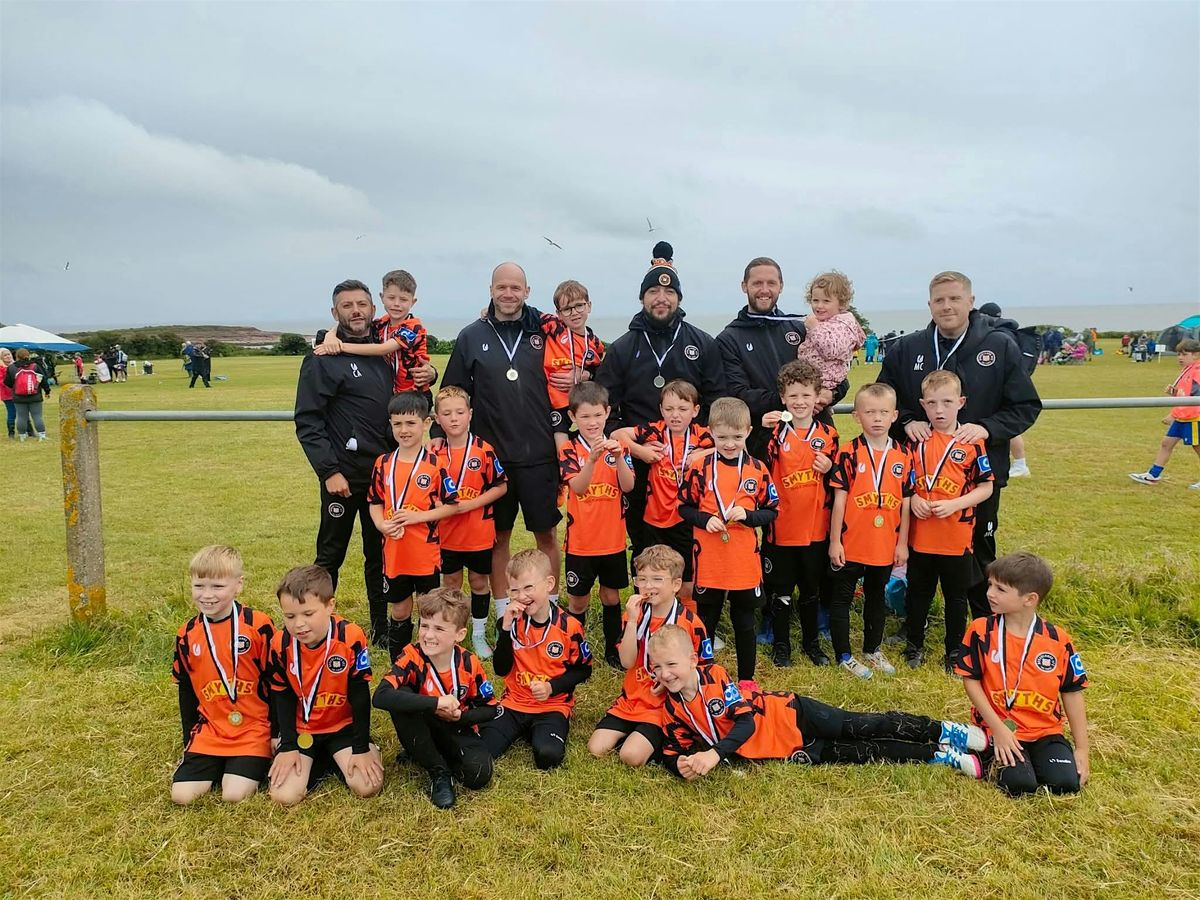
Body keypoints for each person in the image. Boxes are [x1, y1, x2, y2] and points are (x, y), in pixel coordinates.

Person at [877, 271, 1041, 621]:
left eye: (954, 298)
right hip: (918, 480)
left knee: (978, 551)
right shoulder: (907, 348)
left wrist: (985, 428)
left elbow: (1025, 406)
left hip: (977, 477)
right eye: (939, 300)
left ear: (970, 301)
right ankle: (913, 626)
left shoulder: (999, 346)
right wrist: (907, 420)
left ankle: (985, 623)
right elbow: (884, 399)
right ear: (929, 305)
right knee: (918, 553)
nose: (947, 306)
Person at [649, 625, 985, 780]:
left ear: (694, 659)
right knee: (866, 754)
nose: (665, 674)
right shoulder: (672, 708)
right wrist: (678, 766)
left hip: (796, 715)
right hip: (790, 749)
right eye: (657, 667)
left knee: (864, 725)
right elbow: (671, 751)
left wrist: (713, 754)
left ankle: (944, 730)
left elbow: (746, 722)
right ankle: (940, 755)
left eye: (672, 664)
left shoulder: (715, 676)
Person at [441, 262, 565, 630]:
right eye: (502, 287)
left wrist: (581, 374)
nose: (508, 294)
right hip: (491, 463)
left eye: (516, 288)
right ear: (491, 290)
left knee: (546, 534)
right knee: (498, 538)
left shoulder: (545, 329)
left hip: (540, 455)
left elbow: (581, 346)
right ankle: (502, 613)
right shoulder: (470, 335)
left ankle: (551, 609)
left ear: (527, 291)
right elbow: (454, 393)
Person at [597, 242, 724, 570]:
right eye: (652, 291)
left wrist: (697, 444)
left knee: (692, 534)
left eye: (668, 292)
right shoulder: (623, 348)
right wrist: (635, 448)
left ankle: (689, 604)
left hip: (691, 461)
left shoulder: (702, 343)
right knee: (643, 538)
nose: (661, 298)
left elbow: (717, 401)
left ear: (679, 298)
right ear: (642, 298)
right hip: (640, 461)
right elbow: (604, 409)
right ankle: (648, 602)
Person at [295, 281, 397, 650]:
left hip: (382, 478)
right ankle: (314, 626)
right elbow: (308, 421)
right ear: (334, 312)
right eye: (347, 305)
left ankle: (383, 630)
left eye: (362, 304)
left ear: (373, 308)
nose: (356, 311)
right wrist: (329, 471)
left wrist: (427, 378)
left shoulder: (385, 353)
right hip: (342, 477)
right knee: (330, 554)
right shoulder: (324, 357)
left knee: (380, 556)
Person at [954, 552, 1090, 796]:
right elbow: (970, 680)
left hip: (1045, 731)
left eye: (1001, 589)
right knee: (1019, 785)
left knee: (1066, 785)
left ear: (1030, 599)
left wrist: (1082, 750)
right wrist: (998, 729)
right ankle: (976, 749)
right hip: (996, 728)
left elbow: (1072, 692)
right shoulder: (981, 631)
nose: (989, 594)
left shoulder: (1058, 640)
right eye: (990, 585)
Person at [678, 397, 778, 688]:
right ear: (710, 432)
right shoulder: (700, 467)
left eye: (737, 436)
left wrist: (748, 515)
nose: (730, 443)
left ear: (748, 431)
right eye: (722, 437)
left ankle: (746, 678)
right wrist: (703, 519)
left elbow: (772, 510)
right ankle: (705, 673)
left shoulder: (757, 469)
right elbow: (683, 506)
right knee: (706, 618)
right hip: (709, 559)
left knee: (744, 620)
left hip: (742, 561)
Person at [267, 565, 383, 805]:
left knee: (367, 786)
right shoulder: (280, 643)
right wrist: (286, 744)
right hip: (303, 730)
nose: (299, 624)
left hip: (341, 727)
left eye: (308, 614)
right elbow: (282, 695)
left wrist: (360, 748)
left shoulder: (351, 637)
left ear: (331, 606)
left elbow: (360, 697)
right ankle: (321, 759)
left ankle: (347, 753)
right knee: (284, 796)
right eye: (290, 616)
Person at [372, 588, 498, 809]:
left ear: (459, 634)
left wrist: (460, 716)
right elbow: (380, 696)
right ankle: (438, 772)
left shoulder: (469, 663)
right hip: (423, 723)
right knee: (402, 697)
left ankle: (424, 752)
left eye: (439, 628)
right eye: (424, 625)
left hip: (458, 727)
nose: (428, 635)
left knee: (478, 775)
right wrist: (435, 703)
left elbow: (489, 709)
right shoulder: (412, 655)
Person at [587, 545, 711, 768]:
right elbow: (626, 662)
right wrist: (633, 621)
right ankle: (640, 736)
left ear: (675, 584)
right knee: (595, 748)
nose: (648, 586)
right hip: (633, 698)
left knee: (630, 757)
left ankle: (670, 736)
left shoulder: (690, 623)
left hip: (665, 705)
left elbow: (704, 670)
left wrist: (668, 682)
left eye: (656, 579)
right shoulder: (634, 615)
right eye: (642, 579)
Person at [170, 545, 276, 805]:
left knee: (234, 794)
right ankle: (215, 762)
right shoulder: (187, 634)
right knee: (182, 796)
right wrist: (189, 741)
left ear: (238, 585)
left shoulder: (258, 625)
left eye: (217, 587)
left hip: (254, 729)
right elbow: (186, 690)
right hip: (211, 730)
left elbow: (277, 683)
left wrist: (278, 734)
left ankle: (241, 765)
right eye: (199, 586)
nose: (207, 595)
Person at [715, 256, 847, 461]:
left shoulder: (800, 327)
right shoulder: (729, 338)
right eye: (757, 283)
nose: (764, 289)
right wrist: (794, 401)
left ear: (781, 286)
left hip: (817, 441)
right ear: (744, 286)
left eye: (771, 283)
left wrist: (831, 394)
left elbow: (837, 374)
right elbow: (738, 394)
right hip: (767, 441)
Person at [905, 371, 994, 671]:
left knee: (956, 597)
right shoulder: (915, 440)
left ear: (961, 402)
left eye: (946, 402)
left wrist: (955, 504)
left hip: (955, 537)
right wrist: (913, 498)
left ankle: (954, 650)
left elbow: (986, 487)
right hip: (920, 536)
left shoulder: (971, 442)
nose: (939, 410)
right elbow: (903, 481)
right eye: (931, 403)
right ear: (922, 404)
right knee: (918, 593)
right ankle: (913, 644)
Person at [827, 383, 912, 680]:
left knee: (876, 597)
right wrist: (835, 541)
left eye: (883, 412)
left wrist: (902, 544)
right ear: (856, 416)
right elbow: (839, 501)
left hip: (885, 543)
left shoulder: (904, 455)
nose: (877, 418)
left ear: (895, 416)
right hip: (851, 542)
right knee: (842, 598)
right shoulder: (849, 453)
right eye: (869, 412)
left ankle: (872, 649)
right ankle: (844, 655)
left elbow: (906, 504)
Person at [367, 391, 460, 661]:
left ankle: (426, 659)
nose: (404, 430)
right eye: (397, 424)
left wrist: (417, 516)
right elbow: (374, 501)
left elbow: (452, 505)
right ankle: (400, 661)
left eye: (410, 423)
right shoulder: (383, 463)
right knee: (399, 609)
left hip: (424, 554)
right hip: (394, 552)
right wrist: (382, 525)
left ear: (426, 423)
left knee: (428, 609)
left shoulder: (435, 464)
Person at [480, 549, 592, 770]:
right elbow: (501, 670)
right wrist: (504, 630)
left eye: (529, 587)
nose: (522, 596)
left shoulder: (569, 627)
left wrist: (552, 687)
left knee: (548, 757)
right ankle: (520, 728)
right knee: (484, 749)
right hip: (515, 703)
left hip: (551, 705)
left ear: (549, 583)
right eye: (515, 590)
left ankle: (540, 730)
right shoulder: (510, 623)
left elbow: (583, 670)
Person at [760, 360, 839, 668]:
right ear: (783, 398)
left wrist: (830, 468)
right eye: (793, 396)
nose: (800, 402)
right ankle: (781, 646)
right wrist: (761, 430)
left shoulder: (829, 435)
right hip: (781, 530)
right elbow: (758, 468)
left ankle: (811, 644)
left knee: (811, 591)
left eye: (806, 395)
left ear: (817, 396)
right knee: (780, 592)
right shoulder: (775, 434)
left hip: (816, 530)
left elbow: (841, 480)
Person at [611, 379, 713, 611]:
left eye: (682, 409)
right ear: (661, 410)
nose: (675, 415)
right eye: (669, 409)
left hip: (687, 518)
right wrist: (640, 451)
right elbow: (617, 434)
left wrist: (705, 453)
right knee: (652, 569)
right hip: (655, 518)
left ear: (695, 411)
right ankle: (649, 619)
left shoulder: (702, 435)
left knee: (688, 576)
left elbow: (733, 445)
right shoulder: (655, 430)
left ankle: (687, 623)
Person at [558, 381, 635, 667]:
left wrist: (618, 459)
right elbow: (578, 487)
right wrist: (591, 460)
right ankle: (576, 651)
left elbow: (628, 487)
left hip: (612, 540)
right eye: (585, 417)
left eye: (597, 415)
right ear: (573, 417)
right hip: (581, 542)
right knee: (578, 600)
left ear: (607, 413)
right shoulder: (568, 448)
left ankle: (613, 650)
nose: (592, 422)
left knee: (611, 596)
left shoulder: (620, 446)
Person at [433, 385, 509, 658]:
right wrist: (442, 508)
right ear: (437, 418)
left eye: (460, 412)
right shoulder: (434, 453)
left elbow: (501, 486)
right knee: (450, 584)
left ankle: (478, 634)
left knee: (479, 583)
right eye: (447, 413)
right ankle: (451, 633)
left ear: (470, 414)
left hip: (477, 532)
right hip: (446, 534)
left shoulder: (483, 450)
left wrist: (471, 504)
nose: (454, 418)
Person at [316, 269, 435, 406]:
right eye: (391, 298)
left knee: (407, 426)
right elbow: (350, 322)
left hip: (415, 392)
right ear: (382, 297)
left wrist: (341, 346)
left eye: (403, 299)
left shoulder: (413, 327)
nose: (396, 304)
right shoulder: (382, 323)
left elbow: (382, 349)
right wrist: (330, 335)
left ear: (413, 302)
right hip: (394, 393)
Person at [1129, 338, 1200, 489]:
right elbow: (1185, 394)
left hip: (1193, 417)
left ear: (1196, 355)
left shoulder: (1197, 372)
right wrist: (1174, 393)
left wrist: (1173, 414)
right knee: (1166, 444)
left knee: (1197, 447)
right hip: (1183, 416)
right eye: (1178, 354)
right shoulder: (1188, 370)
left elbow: (1195, 399)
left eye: (1184, 354)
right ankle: (1153, 475)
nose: (1180, 358)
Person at [543, 279, 606, 448]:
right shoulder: (553, 327)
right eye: (567, 309)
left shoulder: (595, 343)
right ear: (559, 313)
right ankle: (568, 473)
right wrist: (490, 311)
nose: (574, 313)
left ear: (589, 306)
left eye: (579, 306)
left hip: (583, 404)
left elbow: (598, 370)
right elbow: (526, 313)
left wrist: (586, 374)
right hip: (557, 402)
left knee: (591, 444)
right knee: (562, 448)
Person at [797, 271, 865, 409]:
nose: (819, 306)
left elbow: (830, 350)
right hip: (811, 380)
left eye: (826, 301)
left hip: (825, 382)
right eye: (815, 300)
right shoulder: (826, 322)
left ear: (841, 303)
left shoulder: (842, 325)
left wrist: (815, 328)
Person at [4, 348, 48, 442]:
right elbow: (43, 380)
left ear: (16, 356)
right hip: (35, 395)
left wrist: (16, 386)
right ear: (28, 355)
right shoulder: (35, 366)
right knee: (37, 416)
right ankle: (42, 435)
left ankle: (22, 436)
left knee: (21, 416)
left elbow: (7, 382)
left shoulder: (11, 367)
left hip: (18, 396)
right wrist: (47, 390)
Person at [0, 348, 15, 439]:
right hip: (7, 394)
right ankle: (11, 432)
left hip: (18, 393)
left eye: (9, 354)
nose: (8, 356)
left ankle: (29, 431)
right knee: (12, 412)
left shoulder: (15, 366)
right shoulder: (1, 368)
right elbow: (2, 382)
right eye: (5, 355)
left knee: (22, 412)